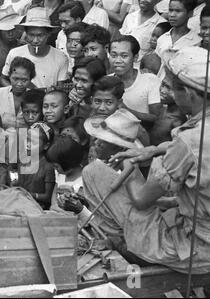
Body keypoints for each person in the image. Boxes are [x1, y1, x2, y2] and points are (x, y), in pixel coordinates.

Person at [83, 47, 210, 273]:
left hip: (193, 249)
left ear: (189, 94)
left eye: (171, 89)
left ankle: (128, 249)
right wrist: (152, 150)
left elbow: (141, 200)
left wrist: (128, 163)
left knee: (94, 172)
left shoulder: (190, 140)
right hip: (201, 232)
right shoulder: (195, 133)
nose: (168, 94)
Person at [0, 7, 69, 89]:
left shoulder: (60, 57)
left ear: (48, 34)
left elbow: (60, 88)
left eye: (40, 35)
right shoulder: (15, 53)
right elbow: (3, 79)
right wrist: (17, 91)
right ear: (26, 33)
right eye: (31, 35)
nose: (35, 40)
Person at [109, 35, 163, 128]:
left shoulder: (150, 81)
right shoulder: (106, 81)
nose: (118, 60)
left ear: (135, 57)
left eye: (124, 56)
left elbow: (157, 118)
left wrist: (126, 111)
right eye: (113, 55)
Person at [12, 122, 56, 209]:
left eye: (33, 142)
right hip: (19, 203)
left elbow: (48, 197)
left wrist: (29, 195)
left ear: (46, 146)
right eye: (27, 139)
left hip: (39, 208)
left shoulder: (48, 167)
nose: (28, 145)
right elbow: (22, 183)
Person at [155, 0, 201, 78]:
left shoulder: (196, 41)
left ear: (190, 13)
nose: (172, 15)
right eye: (170, 10)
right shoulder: (163, 38)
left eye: (178, 11)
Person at [0, 57, 36, 130]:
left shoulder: (34, 97)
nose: (19, 84)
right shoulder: (0, 93)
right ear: (9, 76)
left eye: (24, 80)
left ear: (30, 79)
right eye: (15, 79)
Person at [47, 133, 87, 213]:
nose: (54, 168)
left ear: (68, 164)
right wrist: (54, 206)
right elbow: (54, 199)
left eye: (56, 166)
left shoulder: (84, 180)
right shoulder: (60, 174)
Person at [149, 71, 186, 145]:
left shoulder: (177, 121)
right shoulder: (163, 109)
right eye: (163, 84)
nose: (162, 90)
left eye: (168, 88)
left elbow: (176, 148)